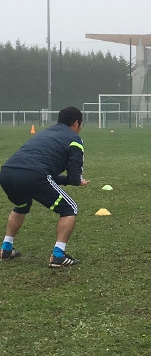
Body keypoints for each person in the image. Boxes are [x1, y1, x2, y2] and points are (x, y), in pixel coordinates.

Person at [0, 106, 89, 267]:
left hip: (7, 172)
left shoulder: (45, 132)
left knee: (21, 205)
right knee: (69, 209)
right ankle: (58, 255)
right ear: (76, 123)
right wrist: (76, 181)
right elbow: (74, 177)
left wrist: (62, 179)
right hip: (34, 174)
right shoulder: (75, 140)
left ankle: (6, 249)